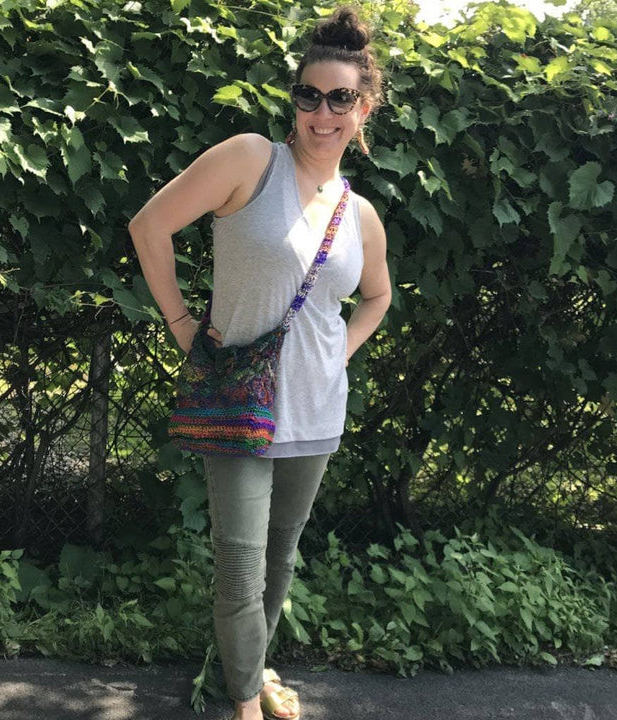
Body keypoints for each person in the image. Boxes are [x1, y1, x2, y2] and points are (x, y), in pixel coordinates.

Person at [128, 6, 391, 719]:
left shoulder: (359, 212)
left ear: (362, 109)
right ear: (295, 100)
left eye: (340, 98)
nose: (322, 112)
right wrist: (184, 323)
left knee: (279, 561)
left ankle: (252, 669)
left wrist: (339, 349)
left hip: (315, 410)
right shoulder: (252, 159)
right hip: (239, 402)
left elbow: (377, 297)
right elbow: (148, 226)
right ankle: (245, 702)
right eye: (309, 95)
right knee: (240, 568)